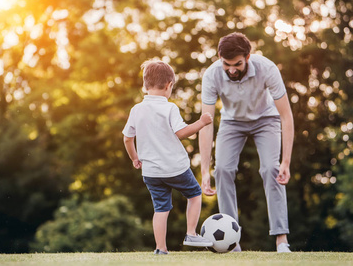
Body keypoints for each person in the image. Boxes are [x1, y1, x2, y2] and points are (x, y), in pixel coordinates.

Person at [199, 32, 294, 253]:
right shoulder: (212, 75)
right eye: (226, 64)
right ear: (219, 58)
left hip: (265, 120)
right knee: (222, 169)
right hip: (232, 122)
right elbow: (206, 123)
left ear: (248, 57)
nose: (232, 69)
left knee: (272, 169)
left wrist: (286, 161)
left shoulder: (267, 68)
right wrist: (204, 170)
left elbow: (286, 116)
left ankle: (281, 240)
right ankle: (232, 244)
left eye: (237, 64)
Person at [123, 60, 214, 255]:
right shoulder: (169, 108)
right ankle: (191, 233)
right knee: (195, 195)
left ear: (145, 85)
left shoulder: (136, 110)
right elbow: (182, 133)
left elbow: (127, 139)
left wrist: (134, 158)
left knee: (161, 209)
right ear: (169, 85)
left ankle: (160, 248)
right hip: (175, 168)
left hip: (151, 172)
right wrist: (202, 122)